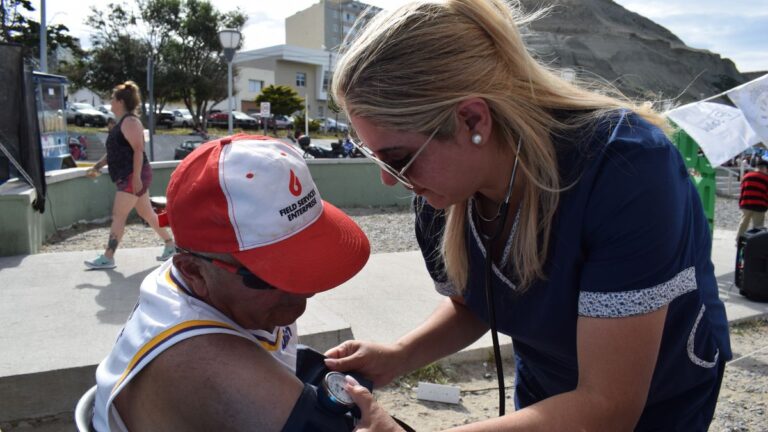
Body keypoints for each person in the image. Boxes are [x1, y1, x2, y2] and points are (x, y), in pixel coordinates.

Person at [323, 1, 732, 430]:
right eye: (379, 159)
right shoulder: (440, 192)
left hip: (657, 403)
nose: (391, 180)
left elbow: (609, 405)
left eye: (399, 158)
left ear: (471, 119)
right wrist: (401, 355)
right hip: (546, 396)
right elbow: (474, 305)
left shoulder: (625, 168)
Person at [92, 137, 371, 431]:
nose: (303, 296)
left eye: (305, 263)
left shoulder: (195, 277)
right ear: (194, 272)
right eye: (268, 276)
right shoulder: (205, 365)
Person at [85, 81, 174, 269]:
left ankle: (108, 257)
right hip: (130, 175)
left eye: (112, 98)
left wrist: (136, 178)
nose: (110, 101)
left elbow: (138, 150)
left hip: (132, 175)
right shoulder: (123, 123)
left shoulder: (131, 122)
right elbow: (116, 152)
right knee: (147, 213)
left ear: (120, 101)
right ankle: (170, 244)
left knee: (119, 215)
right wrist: (98, 165)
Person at [736, 158, 768, 240]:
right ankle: (755, 243)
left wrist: (741, 203)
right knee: (758, 226)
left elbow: (742, 190)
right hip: (760, 205)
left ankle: (738, 240)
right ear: (764, 168)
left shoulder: (746, 176)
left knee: (743, 223)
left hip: (746, 204)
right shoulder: (766, 179)